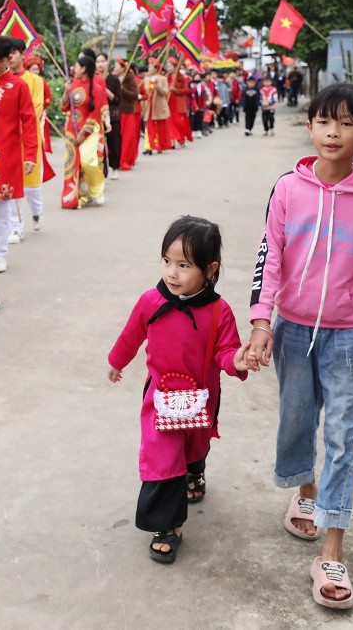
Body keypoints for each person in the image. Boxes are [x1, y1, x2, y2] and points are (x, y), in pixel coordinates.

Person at [246, 82, 353, 610]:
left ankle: (332, 548)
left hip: (351, 337)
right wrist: (262, 321)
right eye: (324, 121)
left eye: (347, 123)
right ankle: (305, 494)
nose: (334, 132)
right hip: (291, 329)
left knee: (342, 435)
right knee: (296, 420)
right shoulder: (288, 188)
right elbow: (273, 256)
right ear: (309, 126)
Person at [108, 216, 253, 564]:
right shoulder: (150, 302)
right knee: (163, 458)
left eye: (184, 265)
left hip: (202, 399)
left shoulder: (220, 312)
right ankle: (167, 525)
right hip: (160, 398)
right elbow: (131, 335)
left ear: (210, 269)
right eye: (167, 261)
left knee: (193, 447)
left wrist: (238, 361)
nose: (172, 273)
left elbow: (225, 352)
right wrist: (117, 361)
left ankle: (196, 469)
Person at [0, 36, 37, 273]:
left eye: (0, 60)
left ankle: (0, 253)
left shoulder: (19, 86)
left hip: (7, 156)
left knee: (3, 209)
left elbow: (29, 122)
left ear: (9, 59)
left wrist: (30, 156)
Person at [9, 39, 52, 237]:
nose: (9, 57)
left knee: (32, 186)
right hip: (7, 141)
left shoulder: (35, 81)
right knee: (10, 186)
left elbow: (35, 108)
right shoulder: (0, 80)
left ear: (22, 55)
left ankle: (37, 213)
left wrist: (12, 122)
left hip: (29, 140)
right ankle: (16, 227)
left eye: (13, 53)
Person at [60, 54, 109, 207]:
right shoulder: (72, 84)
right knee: (72, 163)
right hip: (71, 129)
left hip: (90, 129)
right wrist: (65, 92)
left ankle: (96, 191)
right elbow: (64, 107)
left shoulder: (97, 87)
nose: (74, 69)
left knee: (87, 161)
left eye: (77, 66)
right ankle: (77, 195)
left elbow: (95, 114)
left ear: (84, 69)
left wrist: (83, 133)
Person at [141, 59, 171, 154]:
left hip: (158, 106)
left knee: (160, 127)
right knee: (148, 127)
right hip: (148, 106)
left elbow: (165, 92)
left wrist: (157, 85)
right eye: (149, 66)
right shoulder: (146, 79)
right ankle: (148, 146)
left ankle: (160, 146)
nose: (149, 68)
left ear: (156, 68)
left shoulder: (163, 79)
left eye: (151, 66)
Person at [118, 61, 142, 170]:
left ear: (123, 68)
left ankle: (125, 160)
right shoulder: (114, 77)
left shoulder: (130, 79)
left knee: (127, 138)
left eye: (117, 66)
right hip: (116, 113)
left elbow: (135, 95)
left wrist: (122, 89)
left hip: (127, 112)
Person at [104, 56, 124, 175]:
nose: (100, 64)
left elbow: (117, 100)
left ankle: (114, 167)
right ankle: (103, 169)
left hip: (112, 115)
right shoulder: (94, 79)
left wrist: (106, 91)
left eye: (103, 61)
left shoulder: (114, 80)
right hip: (98, 115)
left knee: (114, 142)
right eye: (98, 61)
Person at [165, 57, 191, 147]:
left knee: (178, 122)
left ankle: (181, 139)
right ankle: (171, 141)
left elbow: (186, 90)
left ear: (175, 67)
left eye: (169, 66)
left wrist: (175, 90)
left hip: (178, 102)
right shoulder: (166, 77)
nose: (167, 68)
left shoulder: (181, 77)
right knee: (169, 122)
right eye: (167, 66)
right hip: (168, 102)